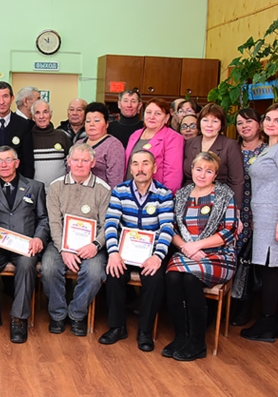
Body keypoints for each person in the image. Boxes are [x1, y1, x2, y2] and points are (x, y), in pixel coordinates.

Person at [164, 152, 238, 361]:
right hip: (186, 251)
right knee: (172, 277)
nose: (202, 175)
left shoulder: (224, 195)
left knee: (190, 278)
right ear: (192, 169)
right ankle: (181, 336)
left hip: (219, 254)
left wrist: (198, 245)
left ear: (215, 174)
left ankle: (197, 342)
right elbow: (171, 228)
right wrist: (186, 247)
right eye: (199, 169)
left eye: (208, 171)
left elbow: (229, 231)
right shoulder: (182, 194)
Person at [101, 150, 175, 352]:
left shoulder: (164, 194)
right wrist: (114, 252)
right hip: (124, 250)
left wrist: (158, 256)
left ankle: (144, 331)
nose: (140, 169)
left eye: (145, 164)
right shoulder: (120, 191)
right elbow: (111, 223)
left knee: (155, 278)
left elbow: (167, 227)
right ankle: (117, 327)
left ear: (154, 167)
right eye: (135, 164)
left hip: (151, 252)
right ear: (130, 168)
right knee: (114, 272)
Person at [0, 146, 48, 343]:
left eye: (8, 160)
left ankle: (18, 318)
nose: (4, 164)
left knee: (26, 266)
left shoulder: (35, 187)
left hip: (25, 245)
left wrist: (39, 238)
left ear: (17, 163)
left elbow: (43, 219)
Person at [241, 103, 278, 343]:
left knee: (268, 270)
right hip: (264, 216)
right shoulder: (269, 148)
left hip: (276, 215)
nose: (270, 124)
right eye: (268, 119)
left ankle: (266, 322)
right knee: (276, 268)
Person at [41, 144, 111, 337]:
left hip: (92, 245)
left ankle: (77, 315)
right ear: (68, 162)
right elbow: (54, 222)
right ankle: (57, 314)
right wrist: (64, 249)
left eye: (85, 160)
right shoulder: (56, 187)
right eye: (76, 160)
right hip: (61, 243)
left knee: (95, 272)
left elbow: (109, 225)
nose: (80, 164)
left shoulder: (103, 189)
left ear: (93, 163)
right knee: (48, 268)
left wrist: (96, 245)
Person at [230, 108, 267, 326]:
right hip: (235, 209)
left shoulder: (268, 151)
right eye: (239, 123)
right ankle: (228, 304)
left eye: (249, 121)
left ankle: (244, 306)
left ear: (259, 124)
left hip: (258, 211)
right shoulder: (233, 149)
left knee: (249, 260)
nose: (244, 126)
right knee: (233, 255)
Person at [183, 104, 244, 208]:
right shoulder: (190, 143)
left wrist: (235, 209)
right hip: (190, 200)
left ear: (221, 125)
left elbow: (237, 181)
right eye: (205, 120)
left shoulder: (230, 145)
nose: (209, 125)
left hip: (219, 202)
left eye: (215, 121)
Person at [125, 98, 185, 193]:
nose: (152, 117)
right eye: (148, 112)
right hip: (129, 193)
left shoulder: (173, 138)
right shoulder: (135, 135)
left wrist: (165, 198)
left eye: (158, 113)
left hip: (155, 196)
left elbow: (173, 174)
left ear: (166, 118)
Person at [76, 102, 125, 188]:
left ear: (106, 124)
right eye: (88, 121)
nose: (91, 124)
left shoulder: (114, 146)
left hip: (101, 197)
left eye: (97, 120)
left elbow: (115, 181)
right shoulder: (78, 144)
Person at [31, 100, 72, 187]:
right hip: (34, 192)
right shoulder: (28, 138)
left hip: (60, 190)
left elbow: (71, 164)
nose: (41, 116)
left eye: (45, 112)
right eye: (37, 113)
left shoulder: (61, 136)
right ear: (33, 117)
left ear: (50, 115)